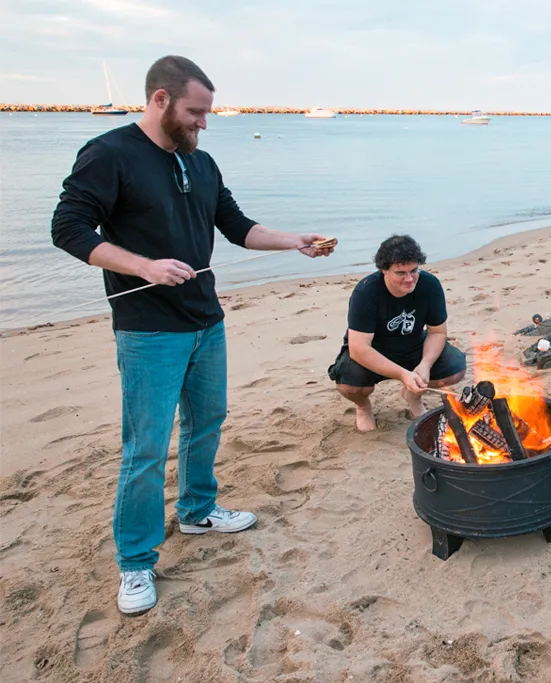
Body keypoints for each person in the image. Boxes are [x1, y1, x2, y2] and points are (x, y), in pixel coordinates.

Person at [50, 55, 335, 615]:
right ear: (160, 100)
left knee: (207, 422)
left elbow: (237, 227)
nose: (205, 122)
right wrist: (144, 266)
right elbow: (68, 229)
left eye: (206, 112)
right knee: (147, 447)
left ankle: (199, 511)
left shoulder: (200, 163)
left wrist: (294, 241)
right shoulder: (109, 154)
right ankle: (135, 561)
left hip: (207, 322)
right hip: (148, 329)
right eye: (196, 112)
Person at [328, 235, 466, 431]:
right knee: (350, 385)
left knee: (455, 369)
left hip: (414, 345)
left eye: (414, 270)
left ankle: (413, 396)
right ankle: (363, 407)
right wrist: (402, 375)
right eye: (400, 273)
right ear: (384, 270)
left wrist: (425, 365)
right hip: (373, 351)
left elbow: (437, 332)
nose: (409, 279)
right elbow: (359, 349)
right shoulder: (366, 292)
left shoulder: (429, 285)